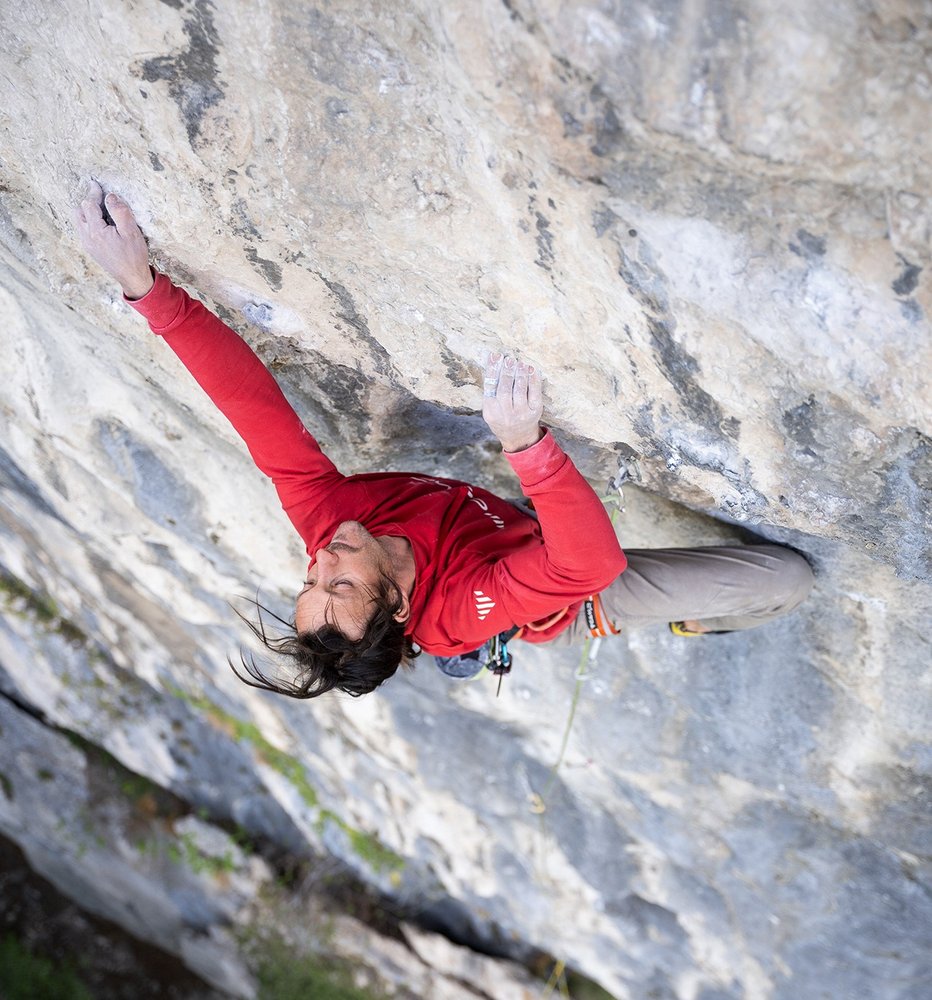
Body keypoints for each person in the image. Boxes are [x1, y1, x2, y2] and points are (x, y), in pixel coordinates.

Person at [72, 182, 814, 698]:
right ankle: (684, 620)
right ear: (397, 604)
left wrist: (145, 288)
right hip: (563, 594)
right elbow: (589, 563)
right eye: (339, 584)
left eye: (309, 583)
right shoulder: (458, 606)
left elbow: (251, 409)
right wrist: (527, 447)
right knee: (785, 581)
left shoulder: (329, 525)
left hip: (506, 552)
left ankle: (478, 620)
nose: (321, 561)